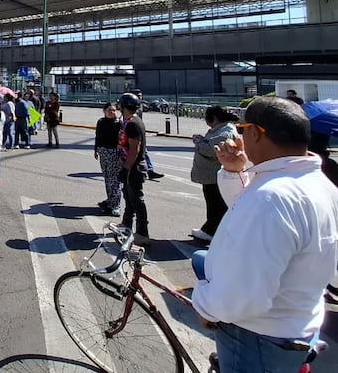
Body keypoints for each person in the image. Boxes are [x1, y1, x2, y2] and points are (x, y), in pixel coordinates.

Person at [192, 97, 338, 372]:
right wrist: (235, 171)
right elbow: (253, 215)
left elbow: (243, 292)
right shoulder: (316, 184)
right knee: (201, 257)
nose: (238, 136)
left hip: (257, 338)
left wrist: (205, 307)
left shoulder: (272, 198)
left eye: (243, 128)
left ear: (257, 133)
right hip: (296, 320)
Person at [189, 106, 239, 242]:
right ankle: (213, 230)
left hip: (215, 175)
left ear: (215, 118)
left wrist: (198, 141)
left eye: (207, 117)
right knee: (215, 204)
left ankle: (210, 231)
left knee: (216, 205)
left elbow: (211, 150)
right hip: (212, 174)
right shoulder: (221, 129)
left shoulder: (225, 132)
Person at [117, 92, 150, 246]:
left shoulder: (133, 124)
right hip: (130, 165)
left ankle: (143, 232)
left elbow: (134, 149)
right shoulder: (132, 121)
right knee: (129, 199)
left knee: (137, 200)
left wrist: (126, 168)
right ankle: (126, 225)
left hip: (134, 167)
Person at [94, 102, 122, 217]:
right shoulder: (101, 122)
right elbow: (98, 136)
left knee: (115, 180)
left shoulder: (119, 123)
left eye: (114, 110)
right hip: (103, 152)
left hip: (114, 153)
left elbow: (121, 141)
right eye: (110, 110)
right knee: (107, 178)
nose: (112, 112)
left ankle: (116, 205)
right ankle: (110, 200)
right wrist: (96, 149)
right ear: (104, 111)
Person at [132, 89, 164, 180]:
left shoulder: (140, 105)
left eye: (140, 96)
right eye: (138, 96)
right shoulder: (131, 106)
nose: (140, 97)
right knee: (140, 152)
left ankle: (149, 170)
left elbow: (148, 107)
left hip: (140, 131)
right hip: (133, 132)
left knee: (143, 151)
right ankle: (145, 170)